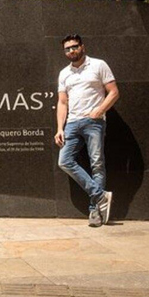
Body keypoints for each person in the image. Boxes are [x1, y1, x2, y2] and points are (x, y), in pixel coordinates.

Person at [54, 35, 119, 227]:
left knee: (97, 163)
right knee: (64, 161)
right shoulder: (64, 73)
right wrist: (60, 128)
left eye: (74, 47)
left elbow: (114, 92)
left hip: (94, 122)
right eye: (67, 49)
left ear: (82, 46)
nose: (71, 51)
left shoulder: (99, 65)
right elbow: (62, 102)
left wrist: (99, 111)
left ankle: (94, 212)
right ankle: (101, 196)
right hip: (72, 123)